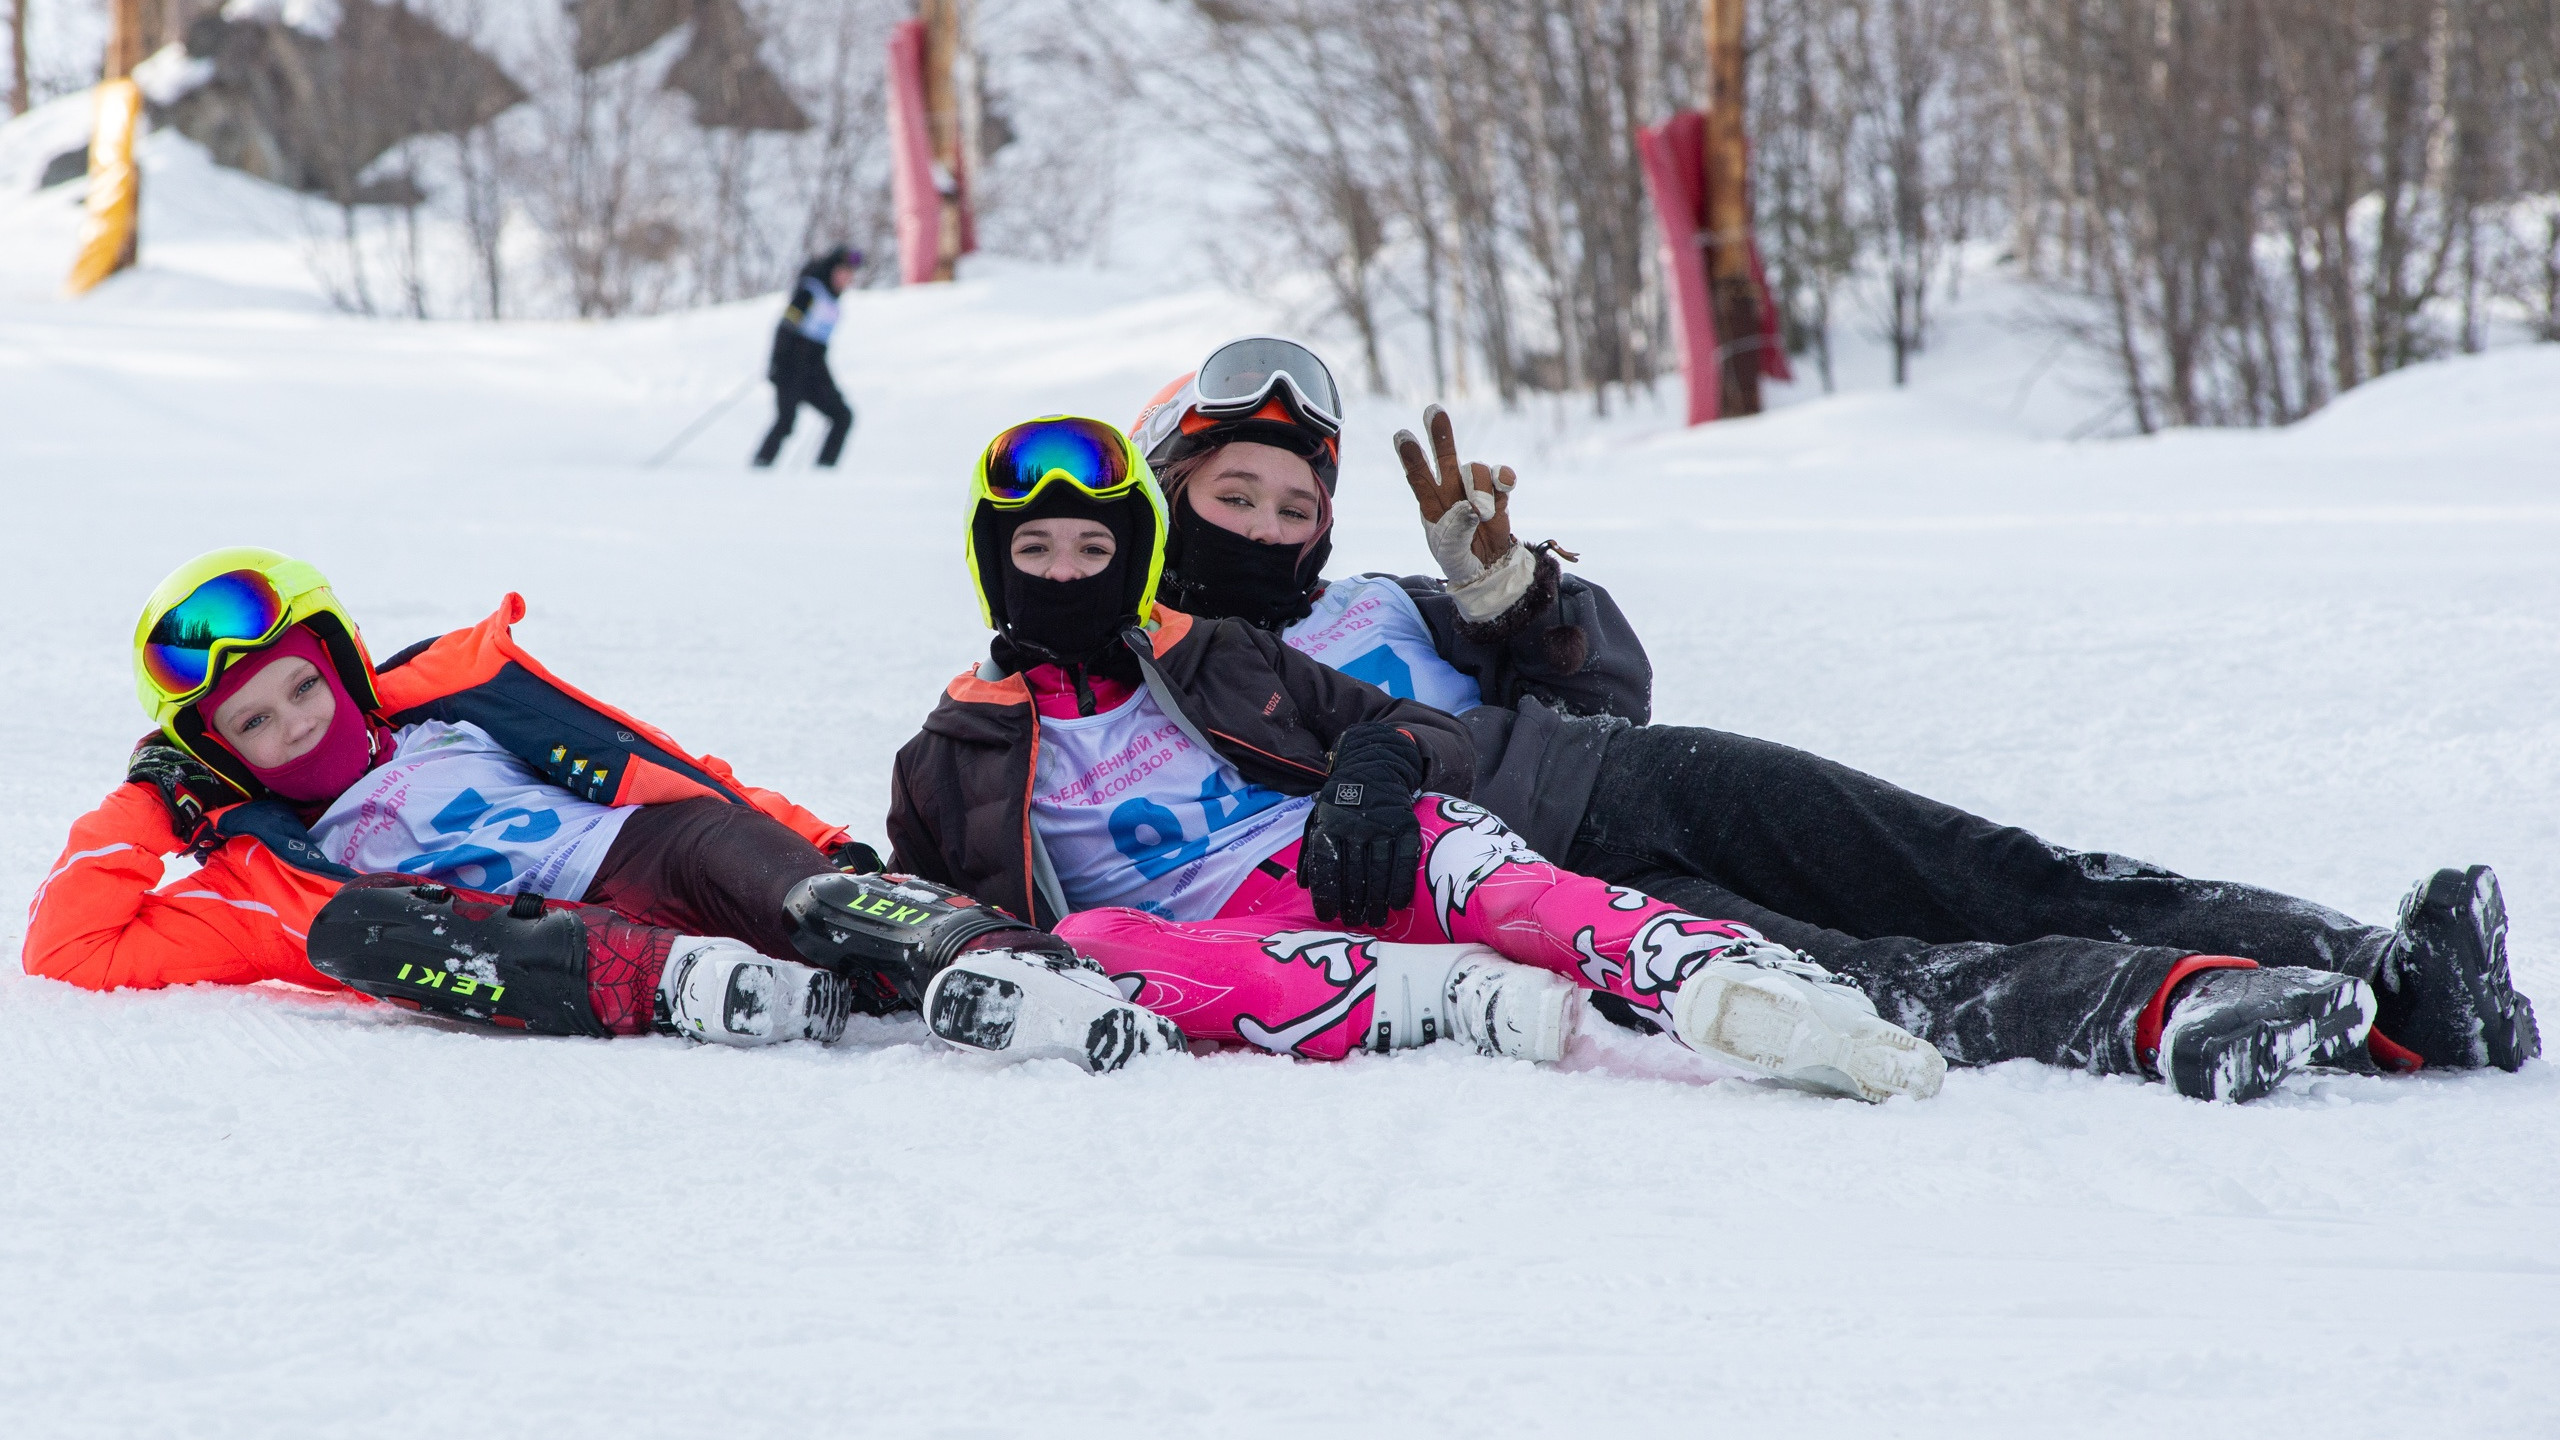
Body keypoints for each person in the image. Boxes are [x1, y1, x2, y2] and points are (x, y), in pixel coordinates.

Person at [1119, 334, 2541, 1101]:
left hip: (1622, 778)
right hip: (1541, 900)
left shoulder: (1377, 606)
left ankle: (2390, 969)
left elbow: (1599, 694)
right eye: (1230, 495)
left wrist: (1512, 596)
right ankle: (2190, 1012)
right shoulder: (1137, 677)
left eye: (1292, 502)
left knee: (1976, 866)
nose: (1266, 521)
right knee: (1865, 972)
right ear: (1162, 498)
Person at [883, 413, 1951, 1102]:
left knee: (1469, 853)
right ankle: (1453, 999)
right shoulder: (951, 753)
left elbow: (1505, 709)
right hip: (1223, 939)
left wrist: (1387, 755)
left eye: (1092, 549)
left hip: (1412, 839)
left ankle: (1703, 971)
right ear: (993, 564)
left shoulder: (1225, 652)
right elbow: (941, 910)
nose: (1063, 574)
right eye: (1034, 550)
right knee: (1084, 940)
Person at [23, 548, 931, 1048]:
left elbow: (674, 771)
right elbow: (70, 946)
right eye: (254, 722)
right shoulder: (257, 885)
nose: (294, 726)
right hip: (551, 949)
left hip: (642, 854)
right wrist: (153, 798)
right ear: (222, 753)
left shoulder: (464, 713)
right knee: (365, 928)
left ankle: (924, 943)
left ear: (342, 667)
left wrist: (815, 842)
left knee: (711, 837)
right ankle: (685, 985)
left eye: (303, 687)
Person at [752, 246, 860, 469]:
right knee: (786, 423)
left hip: (814, 371)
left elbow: (820, 347)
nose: (847, 278)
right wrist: (777, 363)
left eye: (850, 274)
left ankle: (823, 473)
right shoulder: (809, 292)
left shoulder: (834, 300)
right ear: (833, 269)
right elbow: (785, 327)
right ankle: (760, 468)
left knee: (843, 417)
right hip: (789, 367)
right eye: (844, 271)